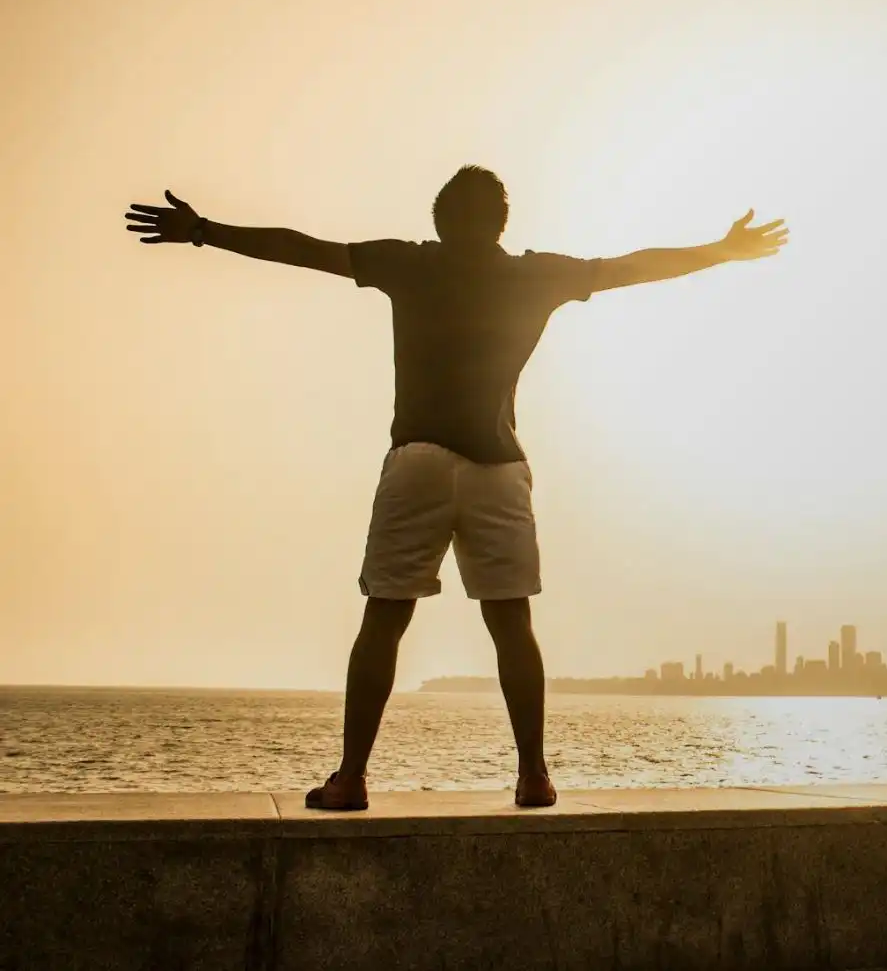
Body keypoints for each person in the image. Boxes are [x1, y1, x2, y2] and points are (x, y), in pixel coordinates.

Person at [125, 167, 788, 809]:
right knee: (511, 626)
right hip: (498, 469)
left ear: (438, 223)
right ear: (502, 223)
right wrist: (722, 251)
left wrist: (203, 230)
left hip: (418, 458)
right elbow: (632, 266)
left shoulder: (411, 264)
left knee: (384, 619)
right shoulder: (535, 275)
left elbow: (301, 248)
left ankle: (351, 779)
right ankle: (533, 776)